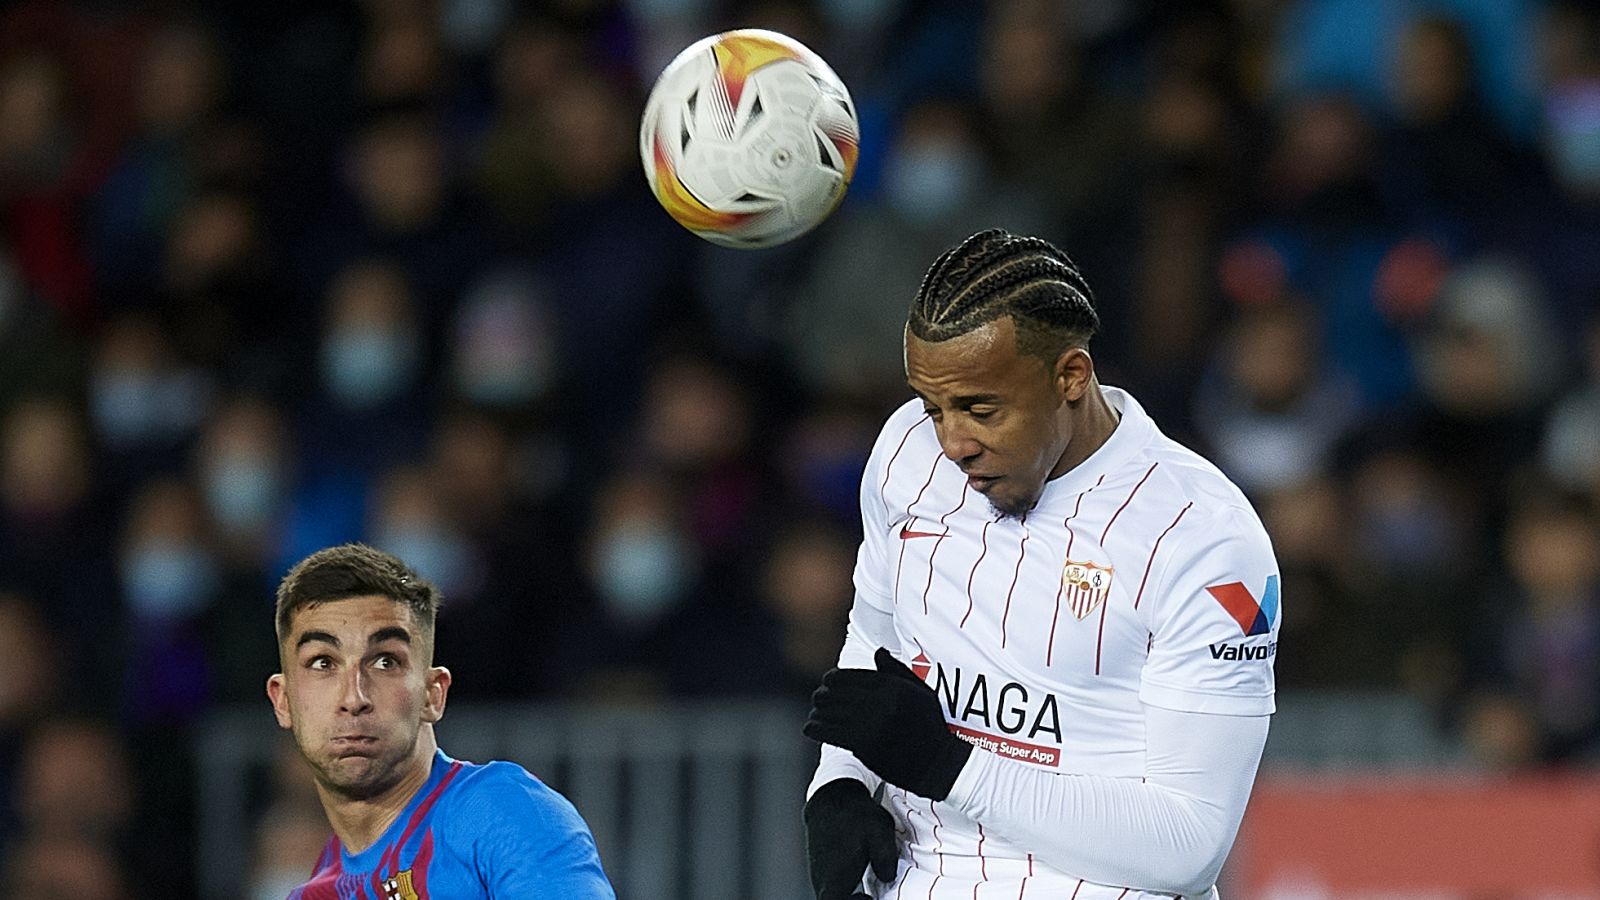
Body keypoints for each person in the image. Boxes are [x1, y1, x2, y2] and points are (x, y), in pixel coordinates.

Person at [802, 229, 1280, 899]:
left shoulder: (1205, 537)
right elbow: (875, 641)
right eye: (934, 407)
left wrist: (952, 769)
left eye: (980, 409)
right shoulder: (905, 453)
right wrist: (841, 781)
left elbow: (1189, 846)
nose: (953, 442)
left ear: (1070, 377)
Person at [265, 543, 614, 898]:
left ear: (433, 694)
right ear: (283, 700)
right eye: (323, 662)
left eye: (385, 662)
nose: (354, 698)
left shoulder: (502, 812)